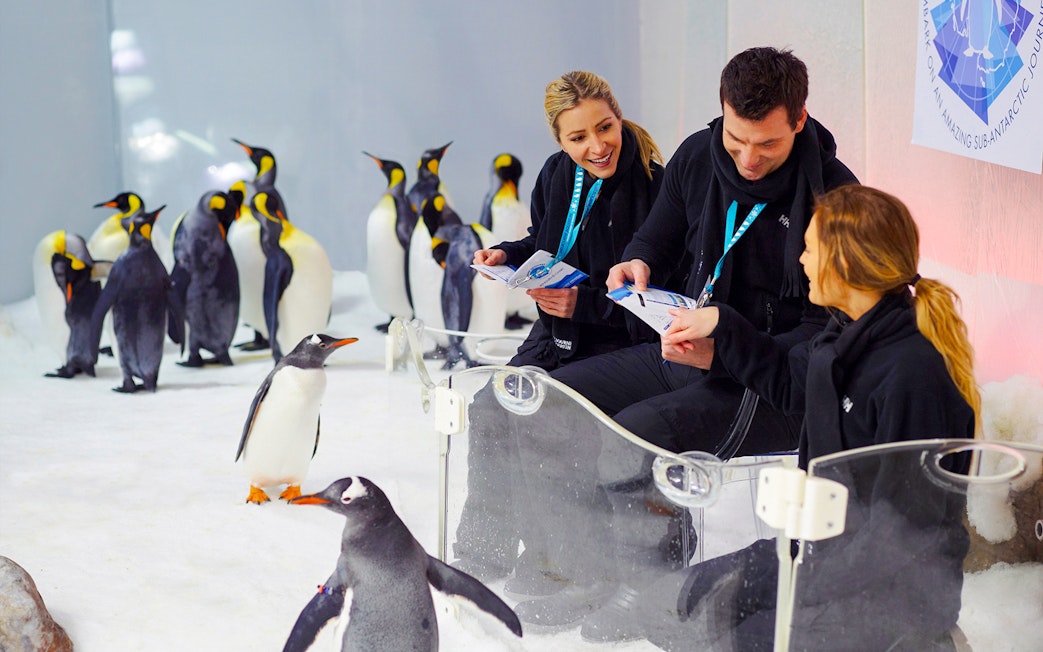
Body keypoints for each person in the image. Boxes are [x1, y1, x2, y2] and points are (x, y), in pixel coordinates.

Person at [517, 46, 859, 636]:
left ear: (800, 120)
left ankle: (651, 591)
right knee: (553, 404)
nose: (748, 160)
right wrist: (637, 264)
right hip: (689, 346)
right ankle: (585, 569)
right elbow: (655, 239)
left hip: (770, 379)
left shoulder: (834, 196)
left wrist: (730, 347)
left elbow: (822, 336)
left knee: (635, 437)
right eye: (736, 138)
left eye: (768, 144)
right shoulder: (698, 155)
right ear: (722, 111)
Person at [627, 184, 979, 650]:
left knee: (732, 632)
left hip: (889, 591)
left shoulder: (913, 375)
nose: (801, 260)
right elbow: (789, 382)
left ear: (846, 263)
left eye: (810, 249)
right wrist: (723, 324)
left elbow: (902, 533)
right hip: (825, 550)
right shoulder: (846, 333)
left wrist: (803, 582)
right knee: (678, 603)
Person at [452, 71, 668, 586]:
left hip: (616, 339)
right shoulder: (555, 173)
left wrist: (582, 304)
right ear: (559, 141)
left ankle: (557, 562)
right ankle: (483, 554)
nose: (597, 146)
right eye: (578, 137)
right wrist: (508, 254)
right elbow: (546, 241)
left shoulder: (655, 186)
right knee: (489, 408)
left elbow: (657, 301)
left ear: (619, 117)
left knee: (549, 417)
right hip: (555, 332)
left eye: (605, 127)